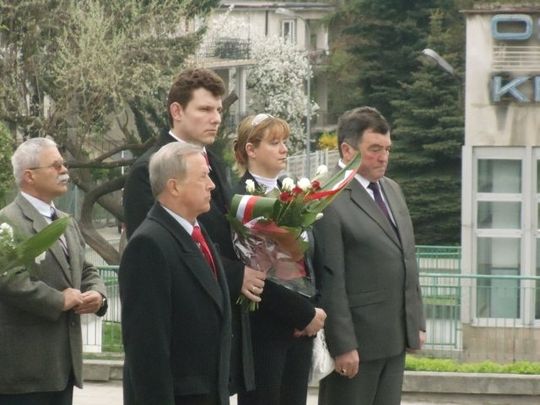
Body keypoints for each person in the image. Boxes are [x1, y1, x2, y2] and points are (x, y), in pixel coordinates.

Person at [122, 68, 264, 395]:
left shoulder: (213, 163)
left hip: (215, 355)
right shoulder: (149, 169)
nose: (216, 118)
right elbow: (160, 253)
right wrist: (237, 275)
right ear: (177, 111)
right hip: (180, 362)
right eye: (205, 109)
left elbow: (217, 237)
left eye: (219, 110)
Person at [313, 107, 426, 405]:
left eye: (387, 149)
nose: (383, 157)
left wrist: (415, 321)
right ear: (347, 150)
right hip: (357, 345)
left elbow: (407, 258)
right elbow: (331, 277)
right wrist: (343, 344)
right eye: (375, 149)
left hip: (394, 339)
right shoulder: (328, 197)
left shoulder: (392, 189)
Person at [120, 143, 231, 405]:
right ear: (174, 186)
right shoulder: (149, 244)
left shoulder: (195, 232)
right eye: (203, 177)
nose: (212, 185)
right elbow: (147, 350)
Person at [0, 137, 107, 405]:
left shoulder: (65, 221)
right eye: (56, 165)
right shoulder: (7, 221)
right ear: (29, 176)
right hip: (25, 373)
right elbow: (9, 280)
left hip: (63, 368)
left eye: (64, 164)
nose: (64, 171)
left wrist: (98, 295)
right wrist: (59, 300)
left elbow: (85, 267)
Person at [232, 113, 327, 405]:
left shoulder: (295, 193)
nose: (284, 149)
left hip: (302, 329)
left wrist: (313, 308)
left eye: (285, 142)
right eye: (274, 143)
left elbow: (310, 260)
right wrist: (301, 314)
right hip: (265, 332)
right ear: (251, 149)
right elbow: (253, 270)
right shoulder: (240, 199)